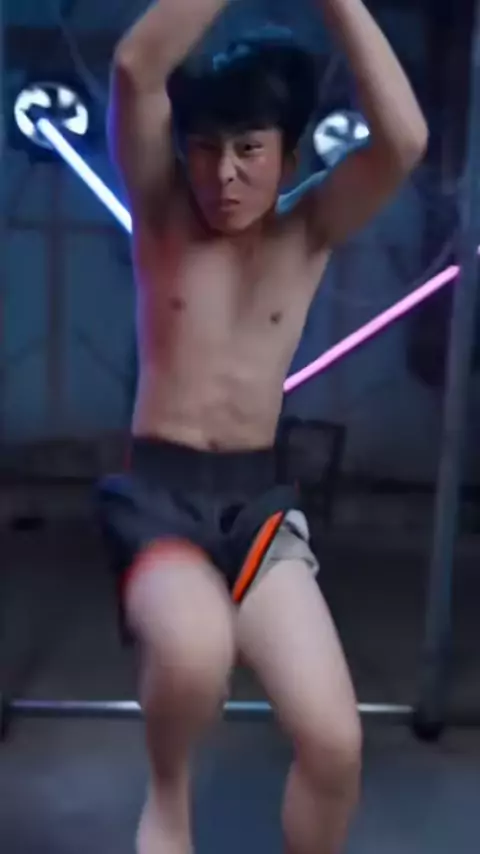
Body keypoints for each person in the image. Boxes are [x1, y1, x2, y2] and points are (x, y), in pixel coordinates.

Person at [99, 1, 428, 852]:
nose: (225, 175)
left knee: (335, 744)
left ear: (289, 154)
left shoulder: (308, 228)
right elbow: (136, 67)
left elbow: (404, 141)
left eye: (249, 150)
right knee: (196, 653)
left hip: (255, 505)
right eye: (207, 148)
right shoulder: (164, 212)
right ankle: (168, 797)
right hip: (161, 495)